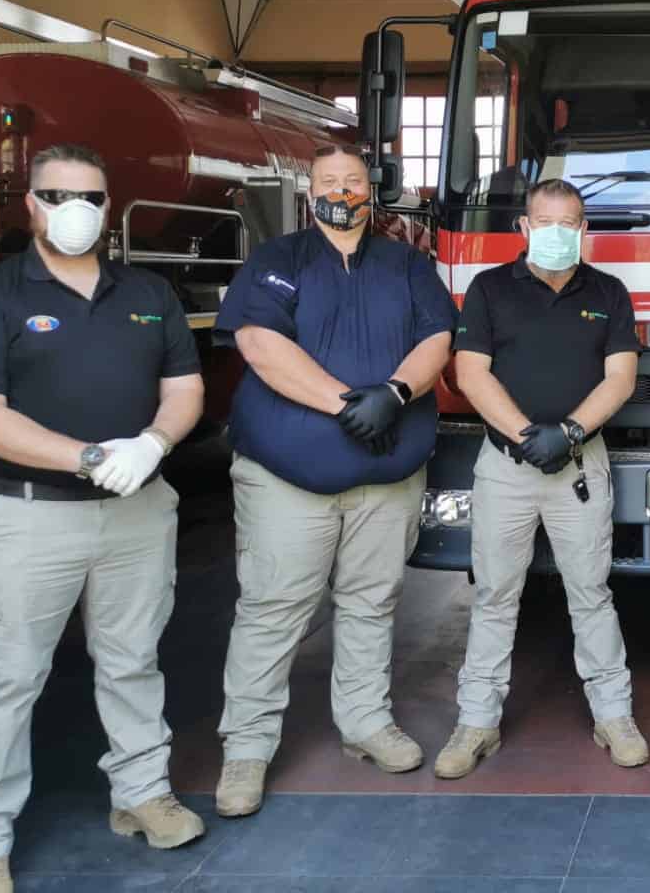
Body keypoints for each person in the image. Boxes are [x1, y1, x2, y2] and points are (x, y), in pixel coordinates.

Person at [0, 144, 206, 893]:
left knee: (133, 661)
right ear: (29, 204)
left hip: (135, 514)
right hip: (24, 519)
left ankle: (142, 794)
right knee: (8, 678)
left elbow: (184, 389)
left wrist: (153, 444)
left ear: (108, 206)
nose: (74, 210)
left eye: (89, 196)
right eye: (56, 196)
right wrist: (88, 458)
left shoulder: (147, 291)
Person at [212, 145, 457, 817]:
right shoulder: (277, 261)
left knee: (372, 603)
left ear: (370, 191)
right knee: (273, 608)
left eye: (352, 181)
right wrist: (349, 405)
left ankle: (366, 722)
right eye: (328, 181)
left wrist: (396, 392)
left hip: (387, 477)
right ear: (308, 191)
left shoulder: (408, 264)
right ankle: (247, 748)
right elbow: (261, 346)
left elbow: (437, 338)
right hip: (287, 479)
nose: (341, 191)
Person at [436, 178, 646, 778]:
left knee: (591, 594)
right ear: (525, 228)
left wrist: (570, 432)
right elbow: (471, 374)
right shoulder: (489, 289)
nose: (557, 233)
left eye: (568, 223)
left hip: (579, 467)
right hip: (507, 468)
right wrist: (529, 436)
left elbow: (621, 378)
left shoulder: (608, 292)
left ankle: (614, 715)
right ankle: (476, 722)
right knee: (494, 596)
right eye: (545, 223)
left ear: (583, 229)